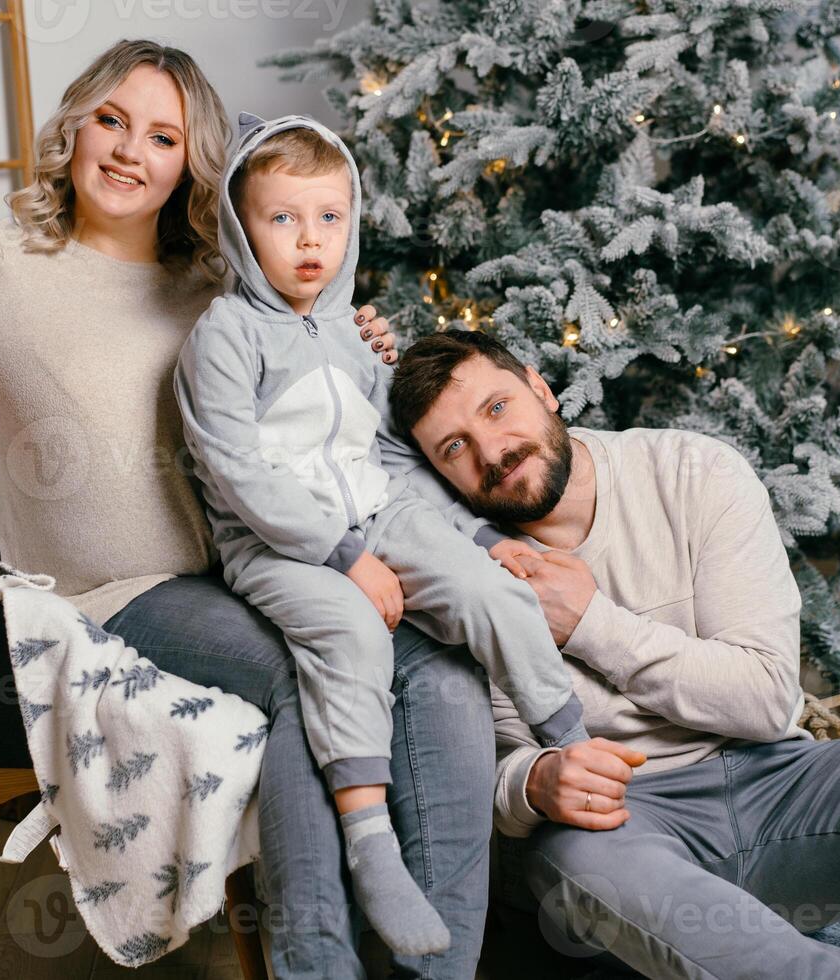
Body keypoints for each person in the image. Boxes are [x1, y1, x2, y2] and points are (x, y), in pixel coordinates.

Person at [0, 40, 496, 980]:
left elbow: (298, 394)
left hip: (260, 563)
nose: (128, 152)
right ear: (75, 125)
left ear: (190, 162)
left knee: (443, 674)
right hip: (121, 591)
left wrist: (344, 335)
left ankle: (439, 969)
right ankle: (317, 964)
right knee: (300, 674)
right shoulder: (1, 265)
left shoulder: (219, 279)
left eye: (163, 136)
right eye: (112, 120)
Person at [389, 328, 840, 979]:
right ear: (436, 474)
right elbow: (471, 770)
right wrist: (534, 782)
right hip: (630, 837)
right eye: (454, 448)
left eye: (497, 408)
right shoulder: (453, 574)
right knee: (578, 863)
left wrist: (590, 623)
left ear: (540, 387)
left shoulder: (694, 472)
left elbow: (764, 698)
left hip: (779, 787)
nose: (491, 450)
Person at [172, 114, 587, 957]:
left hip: (376, 510)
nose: (308, 241)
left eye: (329, 218)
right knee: (350, 631)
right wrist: (345, 557)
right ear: (240, 229)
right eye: (282, 219)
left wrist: (471, 536)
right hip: (278, 544)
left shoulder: (355, 337)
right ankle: (371, 843)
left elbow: (394, 453)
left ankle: (571, 738)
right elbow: (237, 474)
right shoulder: (222, 339)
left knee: (488, 589)